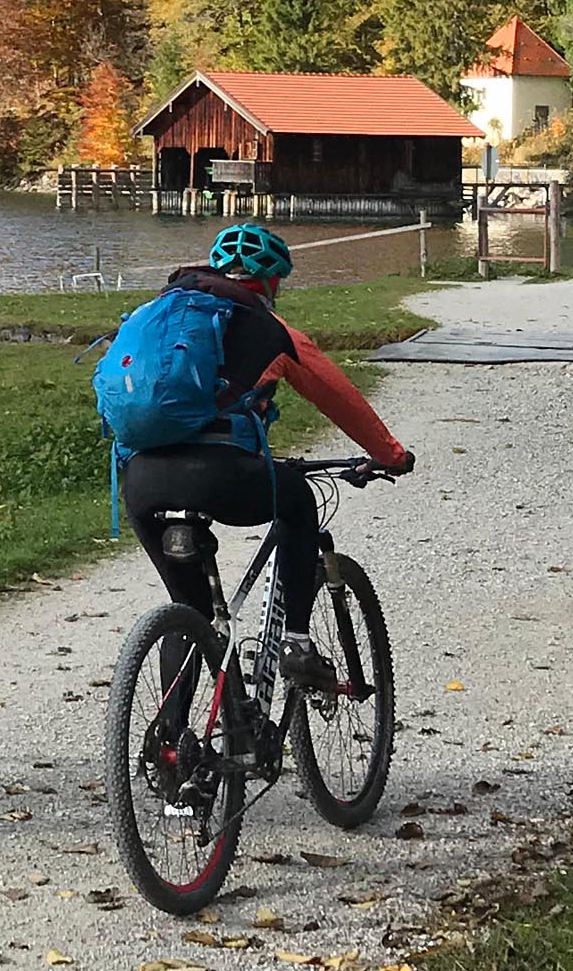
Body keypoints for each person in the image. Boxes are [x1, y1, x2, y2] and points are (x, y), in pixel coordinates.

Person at [113, 222, 413, 692]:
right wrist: (390, 456)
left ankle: (170, 751)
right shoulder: (272, 328)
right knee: (296, 501)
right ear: (272, 282)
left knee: (188, 607)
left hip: (142, 480)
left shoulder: (157, 316)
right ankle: (297, 643)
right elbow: (339, 398)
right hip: (221, 476)